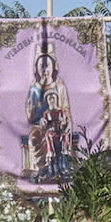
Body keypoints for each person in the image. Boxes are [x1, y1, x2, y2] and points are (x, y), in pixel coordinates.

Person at [25, 45, 74, 182]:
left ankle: (61, 168)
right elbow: (31, 117)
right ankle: (39, 170)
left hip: (59, 126)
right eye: (42, 66)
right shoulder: (34, 88)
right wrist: (31, 111)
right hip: (40, 126)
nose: (45, 70)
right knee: (33, 139)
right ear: (37, 68)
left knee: (61, 137)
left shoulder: (60, 86)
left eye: (47, 66)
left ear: (53, 67)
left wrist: (67, 122)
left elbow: (65, 109)